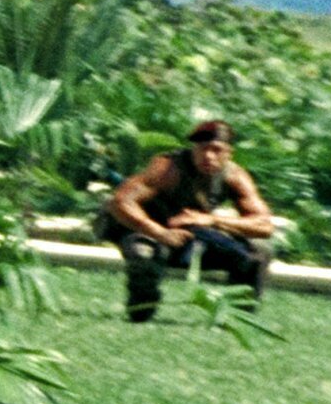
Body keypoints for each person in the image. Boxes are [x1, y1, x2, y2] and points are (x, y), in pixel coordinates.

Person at [102, 118, 277, 322]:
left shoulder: (234, 176)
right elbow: (120, 202)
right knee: (144, 253)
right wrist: (160, 233)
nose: (208, 156)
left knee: (259, 252)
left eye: (216, 150)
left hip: (190, 237)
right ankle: (141, 311)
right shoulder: (168, 169)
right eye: (202, 148)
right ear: (193, 149)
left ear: (229, 153)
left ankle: (239, 319)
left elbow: (264, 225)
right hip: (146, 231)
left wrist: (212, 220)